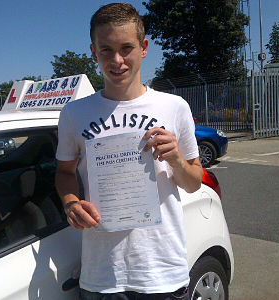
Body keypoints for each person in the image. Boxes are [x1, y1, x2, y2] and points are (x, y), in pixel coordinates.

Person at [55, 3, 203, 300]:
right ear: (94, 53)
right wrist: (71, 203)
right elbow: (64, 172)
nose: (117, 60)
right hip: (102, 276)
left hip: (161, 272)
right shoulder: (74, 113)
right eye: (106, 50)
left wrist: (175, 159)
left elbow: (194, 182)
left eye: (126, 48)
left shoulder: (174, 107)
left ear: (144, 47)